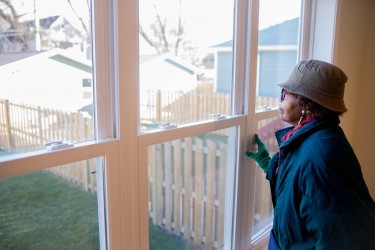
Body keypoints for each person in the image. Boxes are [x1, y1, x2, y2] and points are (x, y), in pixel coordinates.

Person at [246, 59, 375, 250]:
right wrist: (269, 163)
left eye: (284, 94)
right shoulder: (311, 136)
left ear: (305, 102)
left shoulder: (322, 156)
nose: (281, 101)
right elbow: (300, 184)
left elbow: (340, 240)